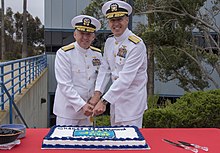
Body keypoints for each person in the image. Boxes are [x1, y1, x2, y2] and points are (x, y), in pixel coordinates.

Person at [90, 0, 148, 128]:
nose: (115, 24)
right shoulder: (110, 42)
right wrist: (97, 93)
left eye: (119, 19)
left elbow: (126, 79)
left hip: (131, 104)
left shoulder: (136, 45)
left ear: (127, 20)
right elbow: (105, 69)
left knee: (130, 142)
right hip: (115, 102)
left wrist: (104, 101)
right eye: (112, 20)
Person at [53, 15, 102, 126]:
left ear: (93, 37)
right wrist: (81, 105)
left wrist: (97, 98)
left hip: (88, 111)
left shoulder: (97, 54)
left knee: (87, 142)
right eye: (81, 33)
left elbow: (100, 79)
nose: (85, 37)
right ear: (75, 35)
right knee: (65, 143)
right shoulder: (64, 53)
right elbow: (65, 84)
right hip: (67, 112)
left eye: (88, 34)